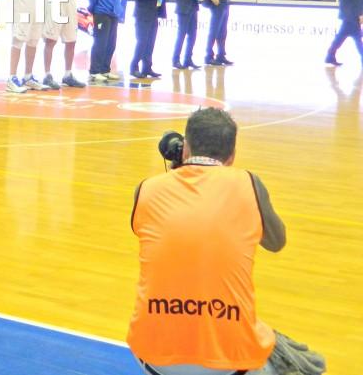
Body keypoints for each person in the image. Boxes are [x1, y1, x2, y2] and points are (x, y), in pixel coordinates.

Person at [128, 107, 327, 375]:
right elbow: (276, 241)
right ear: (231, 156)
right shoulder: (248, 183)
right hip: (230, 363)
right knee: (291, 358)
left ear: (184, 149)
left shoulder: (146, 189)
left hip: (154, 357)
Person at [130, 0, 167, 79]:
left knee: (151, 41)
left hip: (154, 12)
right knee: (142, 41)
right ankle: (133, 66)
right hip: (144, 13)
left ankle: (147, 68)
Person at [88, 0, 124, 82]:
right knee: (100, 42)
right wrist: (93, 10)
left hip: (113, 14)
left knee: (111, 43)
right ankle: (94, 71)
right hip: (102, 13)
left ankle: (105, 69)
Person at [324, 0, 363, 66]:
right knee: (356, 37)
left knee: (343, 36)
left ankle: (330, 56)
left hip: (347, 14)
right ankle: (330, 55)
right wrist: (360, 14)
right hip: (352, 14)